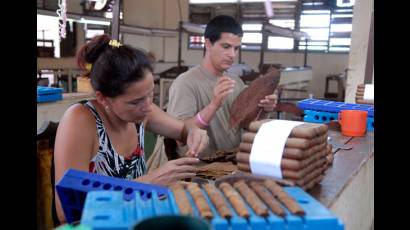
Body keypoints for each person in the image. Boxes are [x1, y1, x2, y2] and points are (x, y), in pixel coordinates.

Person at [53, 35, 209, 224]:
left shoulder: (141, 113)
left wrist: (194, 133)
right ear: (103, 98)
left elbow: (184, 130)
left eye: (151, 94)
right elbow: (66, 213)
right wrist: (150, 182)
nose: (147, 106)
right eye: (135, 101)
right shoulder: (81, 120)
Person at [167, 15, 277, 157]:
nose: (232, 54)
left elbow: (244, 124)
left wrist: (264, 109)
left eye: (236, 48)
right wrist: (213, 105)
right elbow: (179, 135)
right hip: (199, 171)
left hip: (230, 164)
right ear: (208, 44)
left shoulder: (236, 81)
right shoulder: (186, 83)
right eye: (226, 47)